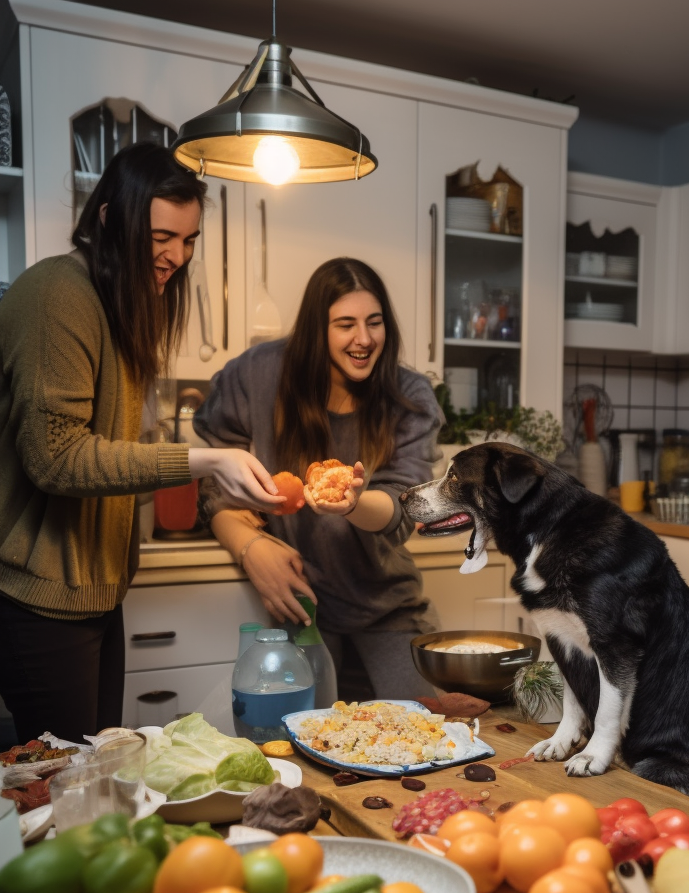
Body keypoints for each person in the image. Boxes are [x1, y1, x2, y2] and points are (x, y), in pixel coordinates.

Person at [0, 142, 283, 743]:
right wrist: (203, 460)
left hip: (94, 594)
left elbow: (114, 448)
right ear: (108, 218)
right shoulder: (58, 294)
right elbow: (56, 456)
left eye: (188, 240)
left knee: (95, 775)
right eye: (160, 237)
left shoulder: (124, 303)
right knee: (63, 792)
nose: (176, 257)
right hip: (35, 600)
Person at [194, 257, 442, 704]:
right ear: (317, 328)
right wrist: (249, 547)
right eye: (345, 324)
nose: (364, 339)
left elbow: (400, 508)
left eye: (374, 322)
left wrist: (353, 503)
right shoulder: (257, 374)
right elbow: (215, 479)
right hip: (297, 606)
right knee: (305, 746)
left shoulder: (410, 397)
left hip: (387, 608)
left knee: (416, 737)